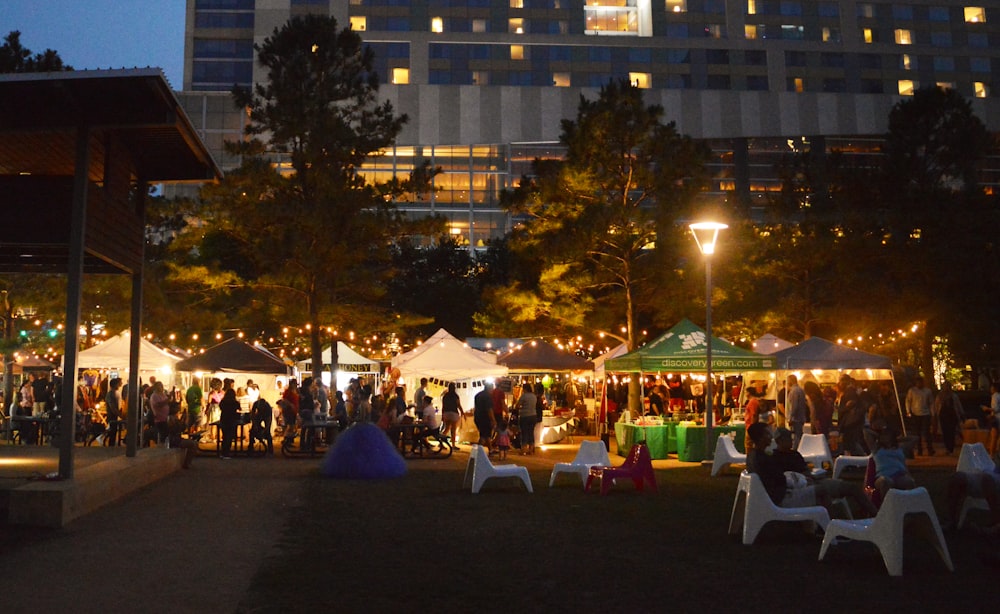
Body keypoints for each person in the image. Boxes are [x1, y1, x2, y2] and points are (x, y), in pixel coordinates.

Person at [747, 423, 876, 517]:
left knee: (846, 487)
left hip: (799, 485)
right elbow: (780, 479)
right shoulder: (767, 459)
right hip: (788, 493)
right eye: (767, 434)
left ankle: (868, 515)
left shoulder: (761, 457)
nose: (770, 437)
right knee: (824, 490)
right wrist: (798, 480)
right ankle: (832, 526)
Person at [872, 426, 916, 499]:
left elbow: (914, 439)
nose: (885, 437)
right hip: (883, 475)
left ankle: (909, 503)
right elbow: (866, 433)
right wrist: (878, 435)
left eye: (887, 435)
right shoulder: (877, 449)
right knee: (885, 481)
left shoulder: (900, 448)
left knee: (909, 482)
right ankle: (886, 505)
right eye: (883, 435)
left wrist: (897, 440)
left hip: (899, 475)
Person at [836, 375, 866, 456]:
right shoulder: (851, 391)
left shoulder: (849, 392)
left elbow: (849, 405)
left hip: (850, 423)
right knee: (852, 444)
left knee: (851, 444)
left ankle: (862, 458)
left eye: (841, 381)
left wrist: (844, 408)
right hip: (852, 423)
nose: (839, 383)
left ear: (845, 381)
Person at [905, 376, 935, 456]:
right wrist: (908, 411)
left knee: (926, 432)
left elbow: (931, 402)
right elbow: (908, 401)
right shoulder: (912, 391)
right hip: (915, 413)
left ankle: (930, 449)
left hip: (925, 413)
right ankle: (920, 449)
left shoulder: (928, 391)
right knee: (917, 433)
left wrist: (932, 413)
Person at [934, 381, 964, 455]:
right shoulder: (940, 396)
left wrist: (961, 414)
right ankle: (948, 447)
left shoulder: (953, 396)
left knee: (952, 432)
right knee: (945, 433)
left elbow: (958, 405)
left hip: (952, 416)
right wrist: (934, 414)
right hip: (943, 416)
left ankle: (950, 448)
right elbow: (936, 406)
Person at [218, 379, 241, 459]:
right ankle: (226, 453)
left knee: (225, 436)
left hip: (224, 419)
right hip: (232, 420)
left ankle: (223, 452)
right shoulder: (235, 402)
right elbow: (239, 409)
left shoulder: (223, 402)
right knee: (229, 437)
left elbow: (220, 408)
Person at [785, 374, 808, 449]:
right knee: (798, 436)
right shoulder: (801, 390)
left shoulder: (794, 391)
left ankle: (796, 452)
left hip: (796, 418)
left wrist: (790, 418)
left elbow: (794, 406)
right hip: (800, 417)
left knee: (796, 437)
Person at [516, 382, 539, 455]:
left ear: (525, 389)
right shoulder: (534, 396)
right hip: (533, 415)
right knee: (531, 432)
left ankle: (524, 449)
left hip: (524, 416)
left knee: (524, 432)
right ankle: (531, 449)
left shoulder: (524, 396)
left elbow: (517, 406)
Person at [473, 382, 497, 450]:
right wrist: (493, 420)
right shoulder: (488, 397)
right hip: (485, 418)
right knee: (484, 435)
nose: (493, 390)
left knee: (486, 434)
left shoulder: (478, 395)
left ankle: (491, 449)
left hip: (477, 416)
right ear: (489, 388)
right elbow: (489, 409)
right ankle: (477, 450)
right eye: (492, 388)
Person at [441, 382, 464, 448]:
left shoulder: (445, 396)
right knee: (453, 430)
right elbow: (458, 405)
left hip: (446, 413)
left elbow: (443, 406)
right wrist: (462, 412)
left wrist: (442, 415)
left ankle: (441, 442)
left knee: (446, 428)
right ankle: (453, 445)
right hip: (454, 413)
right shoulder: (455, 396)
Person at [149, 380, 171, 445]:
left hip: (165, 417)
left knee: (166, 433)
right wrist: (167, 401)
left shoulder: (163, 394)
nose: (161, 387)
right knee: (163, 434)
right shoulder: (154, 396)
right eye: (159, 386)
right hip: (159, 418)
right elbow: (158, 404)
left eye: (161, 386)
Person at [104, 377, 124, 447]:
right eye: (119, 384)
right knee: (112, 432)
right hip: (111, 415)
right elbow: (112, 407)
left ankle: (112, 445)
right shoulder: (110, 394)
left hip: (115, 415)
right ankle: (110, 446)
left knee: (114, 432)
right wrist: (120, 414)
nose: (120, 385)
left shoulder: (116, 393)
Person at [742, 386, 763, 452]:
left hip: (750, 426)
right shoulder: (754, 401)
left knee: (748, 444)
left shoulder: (752, 402)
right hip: (751, 425)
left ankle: (749, 458)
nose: (745, 393)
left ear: (749, 393)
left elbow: (754, 414)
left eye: (746, 392)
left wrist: (752, 427)